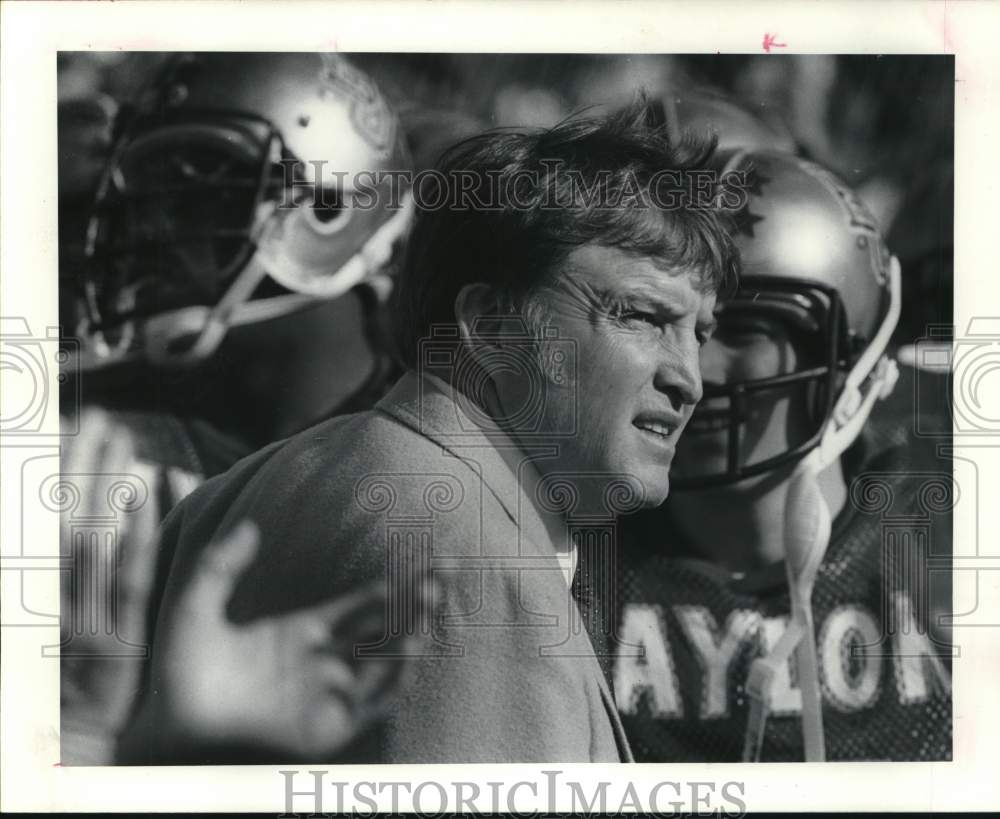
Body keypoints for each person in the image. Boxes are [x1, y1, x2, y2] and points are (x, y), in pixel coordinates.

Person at [118, 100, 740, 763]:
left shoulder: (233, 496)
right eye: (644, 316)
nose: (690, 379)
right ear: (492, 323)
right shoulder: (479, 565)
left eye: (698, 334)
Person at [58, 52, 415, 763]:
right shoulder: (88, 437)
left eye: (199, 195)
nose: (152, 230)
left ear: (327, 206)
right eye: (150, 195)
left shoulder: (425, 463)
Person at [613, 149, 952, 762]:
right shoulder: (567, 558)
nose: (692, 371)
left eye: (742, 331)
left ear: (850, 359)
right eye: (655, 322)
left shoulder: (947, 533)